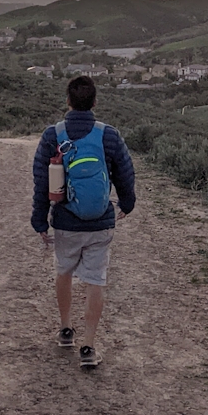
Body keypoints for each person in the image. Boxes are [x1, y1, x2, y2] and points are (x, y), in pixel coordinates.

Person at [31, 75, 135, 370]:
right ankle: (88, 346)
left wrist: (40, 220)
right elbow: (125, 174)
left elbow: (42, 183)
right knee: (95, 280)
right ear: (94, 102)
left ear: (67, 101)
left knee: (63, 271)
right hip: (101, 222)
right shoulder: (109, 135)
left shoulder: (53, 135)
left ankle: (66, 330)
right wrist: (126, 204)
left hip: (65, 221)